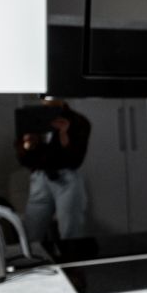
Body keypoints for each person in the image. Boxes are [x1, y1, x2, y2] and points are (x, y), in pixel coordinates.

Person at [15, 99, 91, 244]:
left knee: (70, 230)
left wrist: (64, 135)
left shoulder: (77, 121)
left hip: (66, 177)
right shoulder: (31, 118)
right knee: (32, 230)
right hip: (40, 177)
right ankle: (35, 262)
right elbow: (22, 158)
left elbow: (76, 160)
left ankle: (72, 263)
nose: (48, 100)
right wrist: (28, 144)